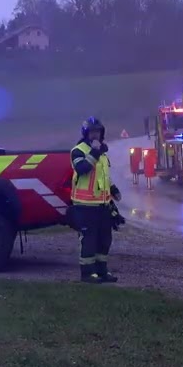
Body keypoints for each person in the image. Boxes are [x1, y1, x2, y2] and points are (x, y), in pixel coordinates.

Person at [70, 116, 122, 284]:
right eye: (92, 132)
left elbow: (103, 176)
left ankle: (102, 271)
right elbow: (83, 168)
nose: (95, 135)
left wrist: (113, 189)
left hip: (102, 205)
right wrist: (95, 151)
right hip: (85, 206)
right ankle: (87, 274)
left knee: (105, 239)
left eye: (98, 132)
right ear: (86, 134)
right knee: (89, 240)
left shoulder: (102, 153)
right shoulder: (78, 150)